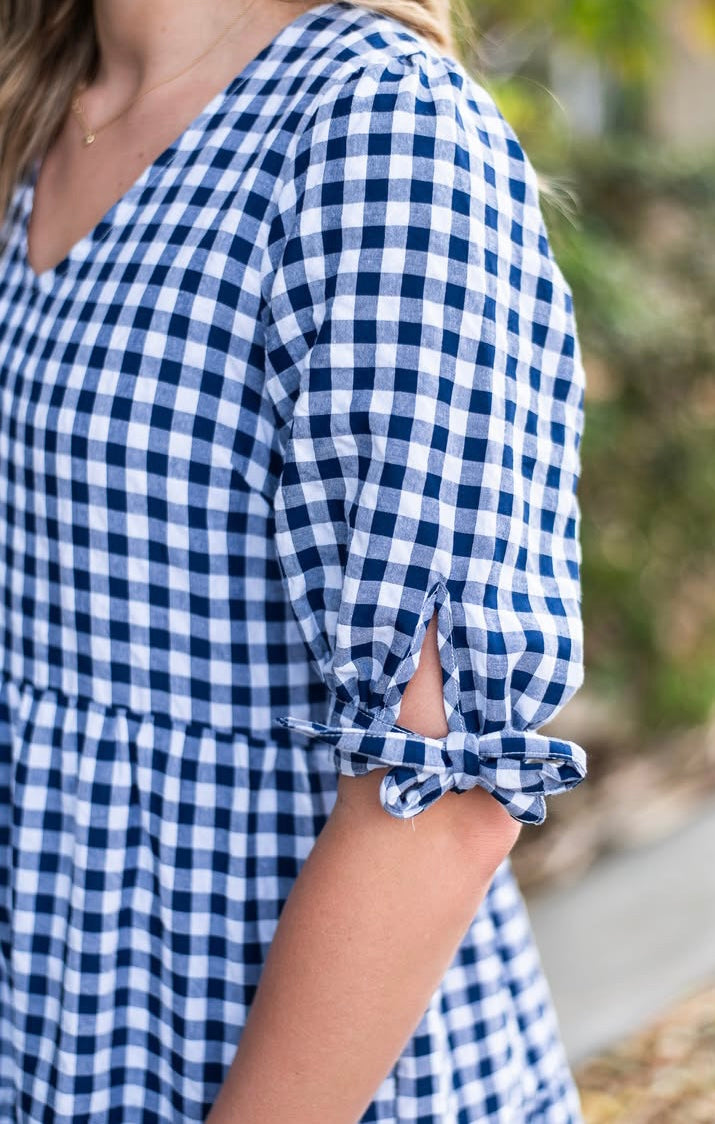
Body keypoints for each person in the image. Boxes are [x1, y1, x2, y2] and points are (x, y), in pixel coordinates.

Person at [0, 0, 588, 1119]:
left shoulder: (375, 128)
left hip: (268, 1059)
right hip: (53, 1011)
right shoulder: (36, 113)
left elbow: (444, 793)